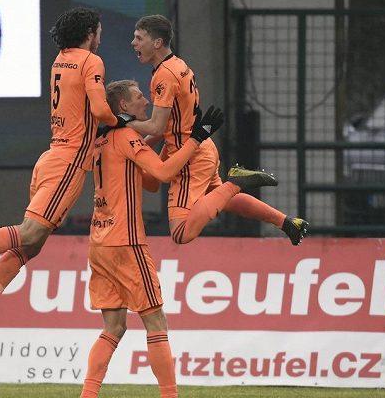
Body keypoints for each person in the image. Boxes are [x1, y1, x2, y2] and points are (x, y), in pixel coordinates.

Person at [0, 7, 132, 352]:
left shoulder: (61, 58)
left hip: (51, 157)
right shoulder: (90, 61)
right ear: (89, 33)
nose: (100, 37)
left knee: (32, 244)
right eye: (98, 31)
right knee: (30, 233)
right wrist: (122, 120)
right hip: (68, 161)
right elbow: (100, 111)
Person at [72, 80, 223, 398]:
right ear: (123, 104)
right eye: (139, 95)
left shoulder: (104, 138)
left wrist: (160, 141)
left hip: (99, 242)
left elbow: (151, 181)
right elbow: (166, 173)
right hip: (126, 242)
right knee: (156, 321)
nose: (147, 99)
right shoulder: (125, 137)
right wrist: (197, 138)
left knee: (113, 326)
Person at [127, 15, 309, 246]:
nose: (133, 43)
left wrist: (124, 125)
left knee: (180, 233)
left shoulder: (165, 75)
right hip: (200, 147)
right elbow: (165, 128)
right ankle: (286, 222)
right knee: (207, 195)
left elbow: (157, 126)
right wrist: (139, 145)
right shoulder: (176, 65)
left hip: (188, 155)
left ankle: (235, 182)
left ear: (157, 43)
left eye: (138, 38)